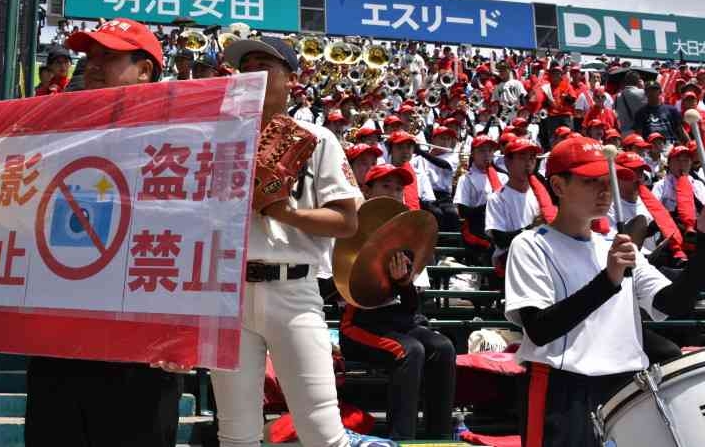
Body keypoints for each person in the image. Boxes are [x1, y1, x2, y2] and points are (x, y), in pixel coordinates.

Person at [0, 18, 178, 447]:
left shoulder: (183, 138)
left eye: (109, 56)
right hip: (60, 342)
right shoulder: (53, 135)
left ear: (145, 69)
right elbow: (17, 212)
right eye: (90, 55)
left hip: (139, 352)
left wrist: (190, 333)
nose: (93, 64)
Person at [198, 36, 396, 447]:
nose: (252, 72)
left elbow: (348, 221)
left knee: (322, 432)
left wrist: (284, 212)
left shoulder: (318, 138)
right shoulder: (220, 137)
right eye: (245, 64)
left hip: (294, 289)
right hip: (229, 292)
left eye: (265, 65)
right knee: (235, 435)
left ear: (291, 79)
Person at [505, 136, 705, 447]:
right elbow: (539, 329)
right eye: (591, 181)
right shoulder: (530, 244)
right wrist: (608, 280)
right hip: (562, 391)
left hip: (625, 388)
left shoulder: (614, 245)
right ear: (559, 186)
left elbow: (672, 302)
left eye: (607, 180)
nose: (605, 190)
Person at [339, 164, 456, 441]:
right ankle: (401, 438)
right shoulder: (347, 234)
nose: (393, 193)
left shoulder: (412, 236)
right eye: (385, 186)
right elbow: (338, 294)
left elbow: (412, 308)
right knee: (409, 351)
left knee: (444, 347)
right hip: (360, 325)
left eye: (399, 189)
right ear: (367, 191)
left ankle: (439, 437)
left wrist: (403, 283)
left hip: (401, 323)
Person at [485, 138, 552, 277]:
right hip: (510, 257)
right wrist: (531, 227)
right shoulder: (497, 198)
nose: (528, 163)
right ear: (508, 163)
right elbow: (500, 240)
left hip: (538, 252)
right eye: (522, 158)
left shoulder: (540, 195)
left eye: (532, 158)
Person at [454, 135, 508, 265]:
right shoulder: (466, 178)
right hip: (476, 226)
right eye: (482, 151)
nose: (487, 154)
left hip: (502, 224)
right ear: (473, 153)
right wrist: (488, 206)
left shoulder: (504, 177)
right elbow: (462, 210)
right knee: (492, 247)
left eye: (490, 151)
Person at [614, 71, 647, 135]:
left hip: (624, 133)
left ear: (626, 81)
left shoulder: (618, 96)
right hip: (640, 132)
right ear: (638, 81)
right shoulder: (643, 93)